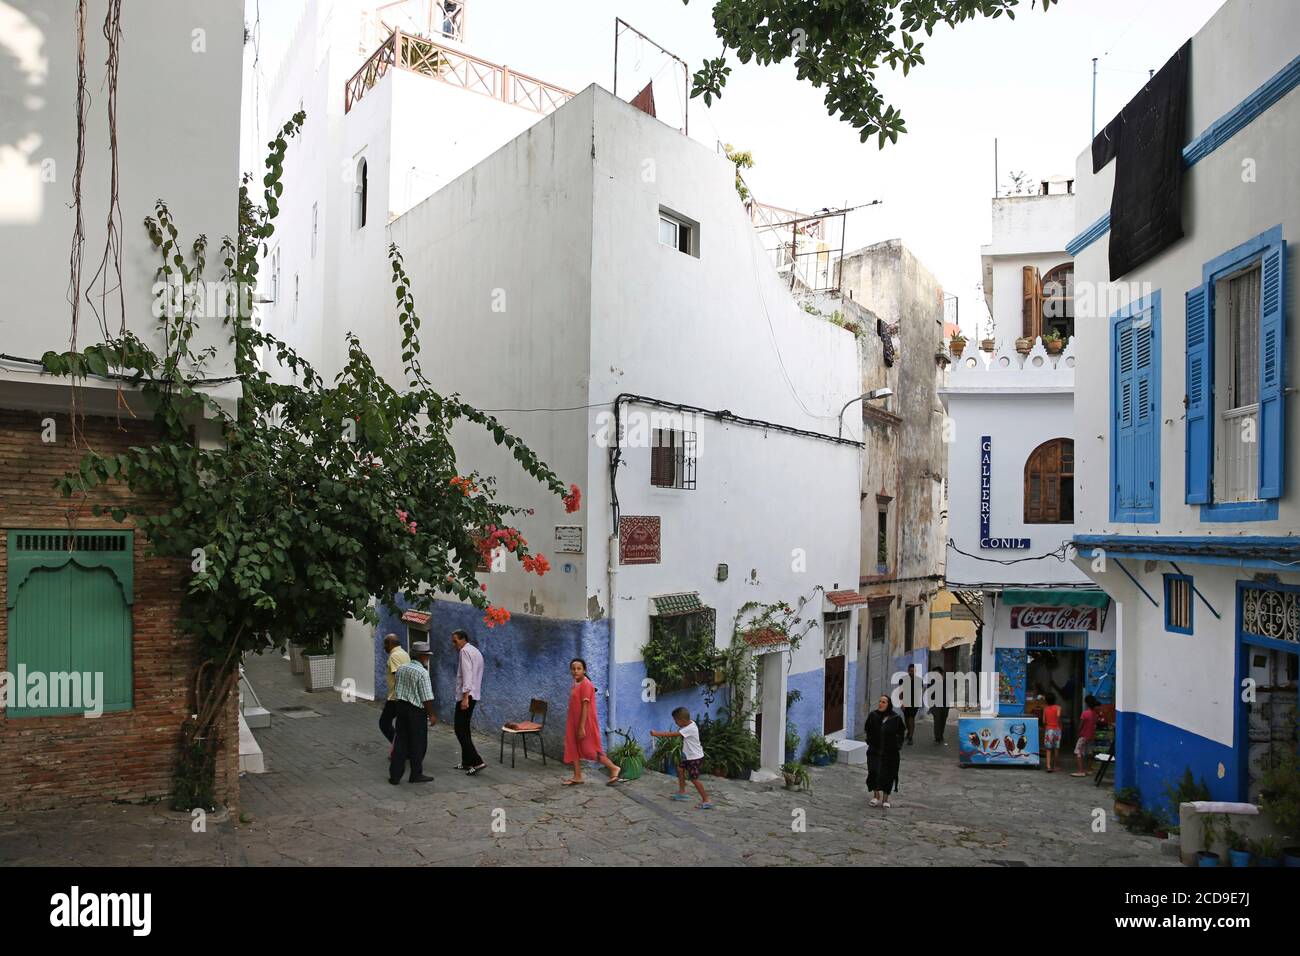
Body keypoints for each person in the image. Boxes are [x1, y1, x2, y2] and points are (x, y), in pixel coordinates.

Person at [562, 657, 623, 786]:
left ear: (584, 670)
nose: (576, 671)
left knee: (591, 749)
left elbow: (585, 707)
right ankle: (577, 776)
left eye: (579, 669)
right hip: (574, 721)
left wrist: (582, 727)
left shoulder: (586, 684)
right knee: (573, 746)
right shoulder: (576, 683)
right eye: (573, 669)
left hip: (585, 723)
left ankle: (613, 768)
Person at [389, 642, 437, 785]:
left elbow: (397, 687)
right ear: (423, 656)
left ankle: (395, 776)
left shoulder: (402, 668)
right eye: (427, 656)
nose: (427, 658)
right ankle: (416, 774)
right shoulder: (422, 673)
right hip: (416, 712)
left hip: (401, 707)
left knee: (400, 742)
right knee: (418, 744)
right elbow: (426, 697)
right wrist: (432, 714)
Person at [650, 706, 712, 809]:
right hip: (688, 756)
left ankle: (706, 800)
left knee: (694, 779)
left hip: (694, 758)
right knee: (680, 769)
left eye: (676, 721)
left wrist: (656, 733)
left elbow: (673, 734)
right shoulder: (690, 723)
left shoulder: (690, 728)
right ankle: (682, 793)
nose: (675, 723)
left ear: (682, 720)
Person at [450, 629, 486, 775]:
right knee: (464, 728)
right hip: (474, 694)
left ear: (463, 639)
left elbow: (467, 675)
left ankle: (477, 761)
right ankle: (466, 762)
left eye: (455, 641)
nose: (454, 644)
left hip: (467, 695)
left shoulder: (464, 652)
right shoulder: (475, 651)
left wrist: (465, 697)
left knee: (459, 728)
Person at [864, 694, 906, 808]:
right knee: (874, 771)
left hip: (890, 753)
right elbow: (867, 728)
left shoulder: (895, 718)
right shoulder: (873, 715)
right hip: (875, 751)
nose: (881, 704)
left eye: (884, 702)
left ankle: (885, 799)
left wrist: (897, 745)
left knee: (888, 774)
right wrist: (870, 740)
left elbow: (901, 732)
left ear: (888, 704)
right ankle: (876, 795)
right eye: (880, 701)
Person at [379, 634, 410, 749]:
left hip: (395, 698)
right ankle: (402, 748)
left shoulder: (394, 656)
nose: (384, 647)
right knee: (401, 725)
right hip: (404, 697)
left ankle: (399, 748)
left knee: (384, 723)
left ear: (390, 644)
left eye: (385, 644)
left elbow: (398, 675)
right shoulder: (404, 654)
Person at [1071, 694, 1101, 777]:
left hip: (1083, 736)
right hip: (1091, 736)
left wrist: (1078, 733)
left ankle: (1081, 770)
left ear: (1087, 703)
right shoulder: (1095, 714)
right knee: (1089, 752)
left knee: (1078, 752)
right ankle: (1089, 769)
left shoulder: (1085, 713)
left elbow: (1081, 725)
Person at [900, 663, 923, 745]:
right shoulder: (903, 680)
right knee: (906, 719)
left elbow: (919, 693)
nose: (911, 672)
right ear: (908, 671)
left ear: (915, 671)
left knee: (911, 718)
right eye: (910, 671)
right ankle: (909, 732)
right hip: (905, 703)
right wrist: (902, 703)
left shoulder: (919, 681)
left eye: (913, 671)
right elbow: (901, 692)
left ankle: (910, 737)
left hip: (914, 703)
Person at [1042, 691, 1063, 772]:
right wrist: (1060, 727)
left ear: (1046, 700)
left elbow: (1044, 721)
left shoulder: (1045, 709)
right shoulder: (1058, 708)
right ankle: (1055, 766)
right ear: (1055, 699)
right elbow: (1058, 718)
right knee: (1056, 748)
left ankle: (1048, 766)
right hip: (1057, 730)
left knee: (1048, 749)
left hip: (1048, 730)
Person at [929, 666, 950, 744]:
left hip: (945, 704)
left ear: (941, 674)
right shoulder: (931, 682)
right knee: (937, 720)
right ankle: (937, 737)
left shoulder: (946, 682)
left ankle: (941, 735)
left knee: (943, 720)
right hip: (935, 704)